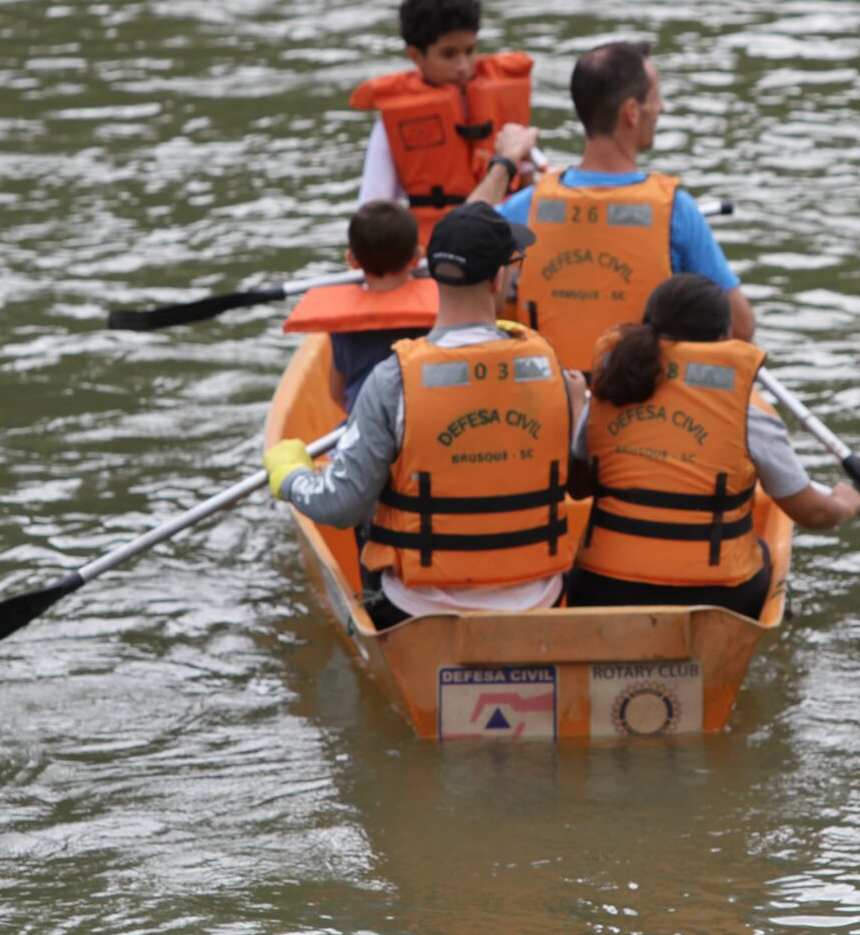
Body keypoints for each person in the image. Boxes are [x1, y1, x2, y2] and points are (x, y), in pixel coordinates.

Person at [264, 203, 587, 631]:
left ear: (431, 274)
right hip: (537, 602)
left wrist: (289, 477)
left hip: (416, 611)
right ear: (497, 279)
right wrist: (579, 408)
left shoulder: (391, 380)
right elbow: (579, 479)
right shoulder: (555, 374)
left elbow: (340, 505)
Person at [568, 273, 860, 617]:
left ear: (646, 326)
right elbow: (814, 513)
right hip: (717, 599)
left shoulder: (611, 390)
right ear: (724, 336)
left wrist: (578, 408)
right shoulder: (749, 411)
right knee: (765, 553)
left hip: (603, 590)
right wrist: (844, 504)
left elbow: (577, 488)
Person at [465, 40, 751, 371]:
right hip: (639, 408)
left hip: (549, 402)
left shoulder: (529, 205)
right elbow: (741, 326)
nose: (661, 108)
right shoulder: (676, 211)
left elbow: (458, 237)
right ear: (631, 112)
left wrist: (505, 161)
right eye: (655, 97)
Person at [348, 0, 536, 245]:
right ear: (416, 56)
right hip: (437, 250)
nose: (463, 66)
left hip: (505, 244)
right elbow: (374, 208)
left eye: (470, 51)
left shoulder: (501, 99)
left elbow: (527, 188)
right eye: (448, 55)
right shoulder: (393, 119)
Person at [280, 201, 438, 415]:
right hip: (426, 419)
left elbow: (336, 393)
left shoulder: (342, 326)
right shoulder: (438, 313)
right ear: (417, 256)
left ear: (352, 259)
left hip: (365, 429)